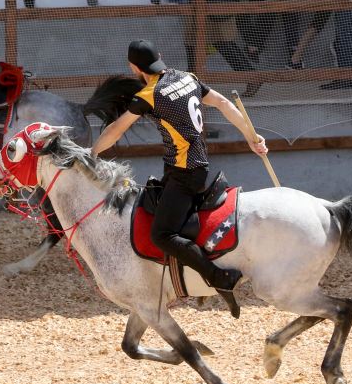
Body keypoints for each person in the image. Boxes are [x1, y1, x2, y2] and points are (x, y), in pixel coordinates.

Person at [91, 39, 268, 315]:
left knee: (162, 235)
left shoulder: (149, 94)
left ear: (133, 67)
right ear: (160, 56)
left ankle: (219, 277)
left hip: (185, 174)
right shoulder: (188, 77)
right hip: (194, 165)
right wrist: (252, 137)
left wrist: (91, 153)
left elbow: (115, 130)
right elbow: (223, 103)